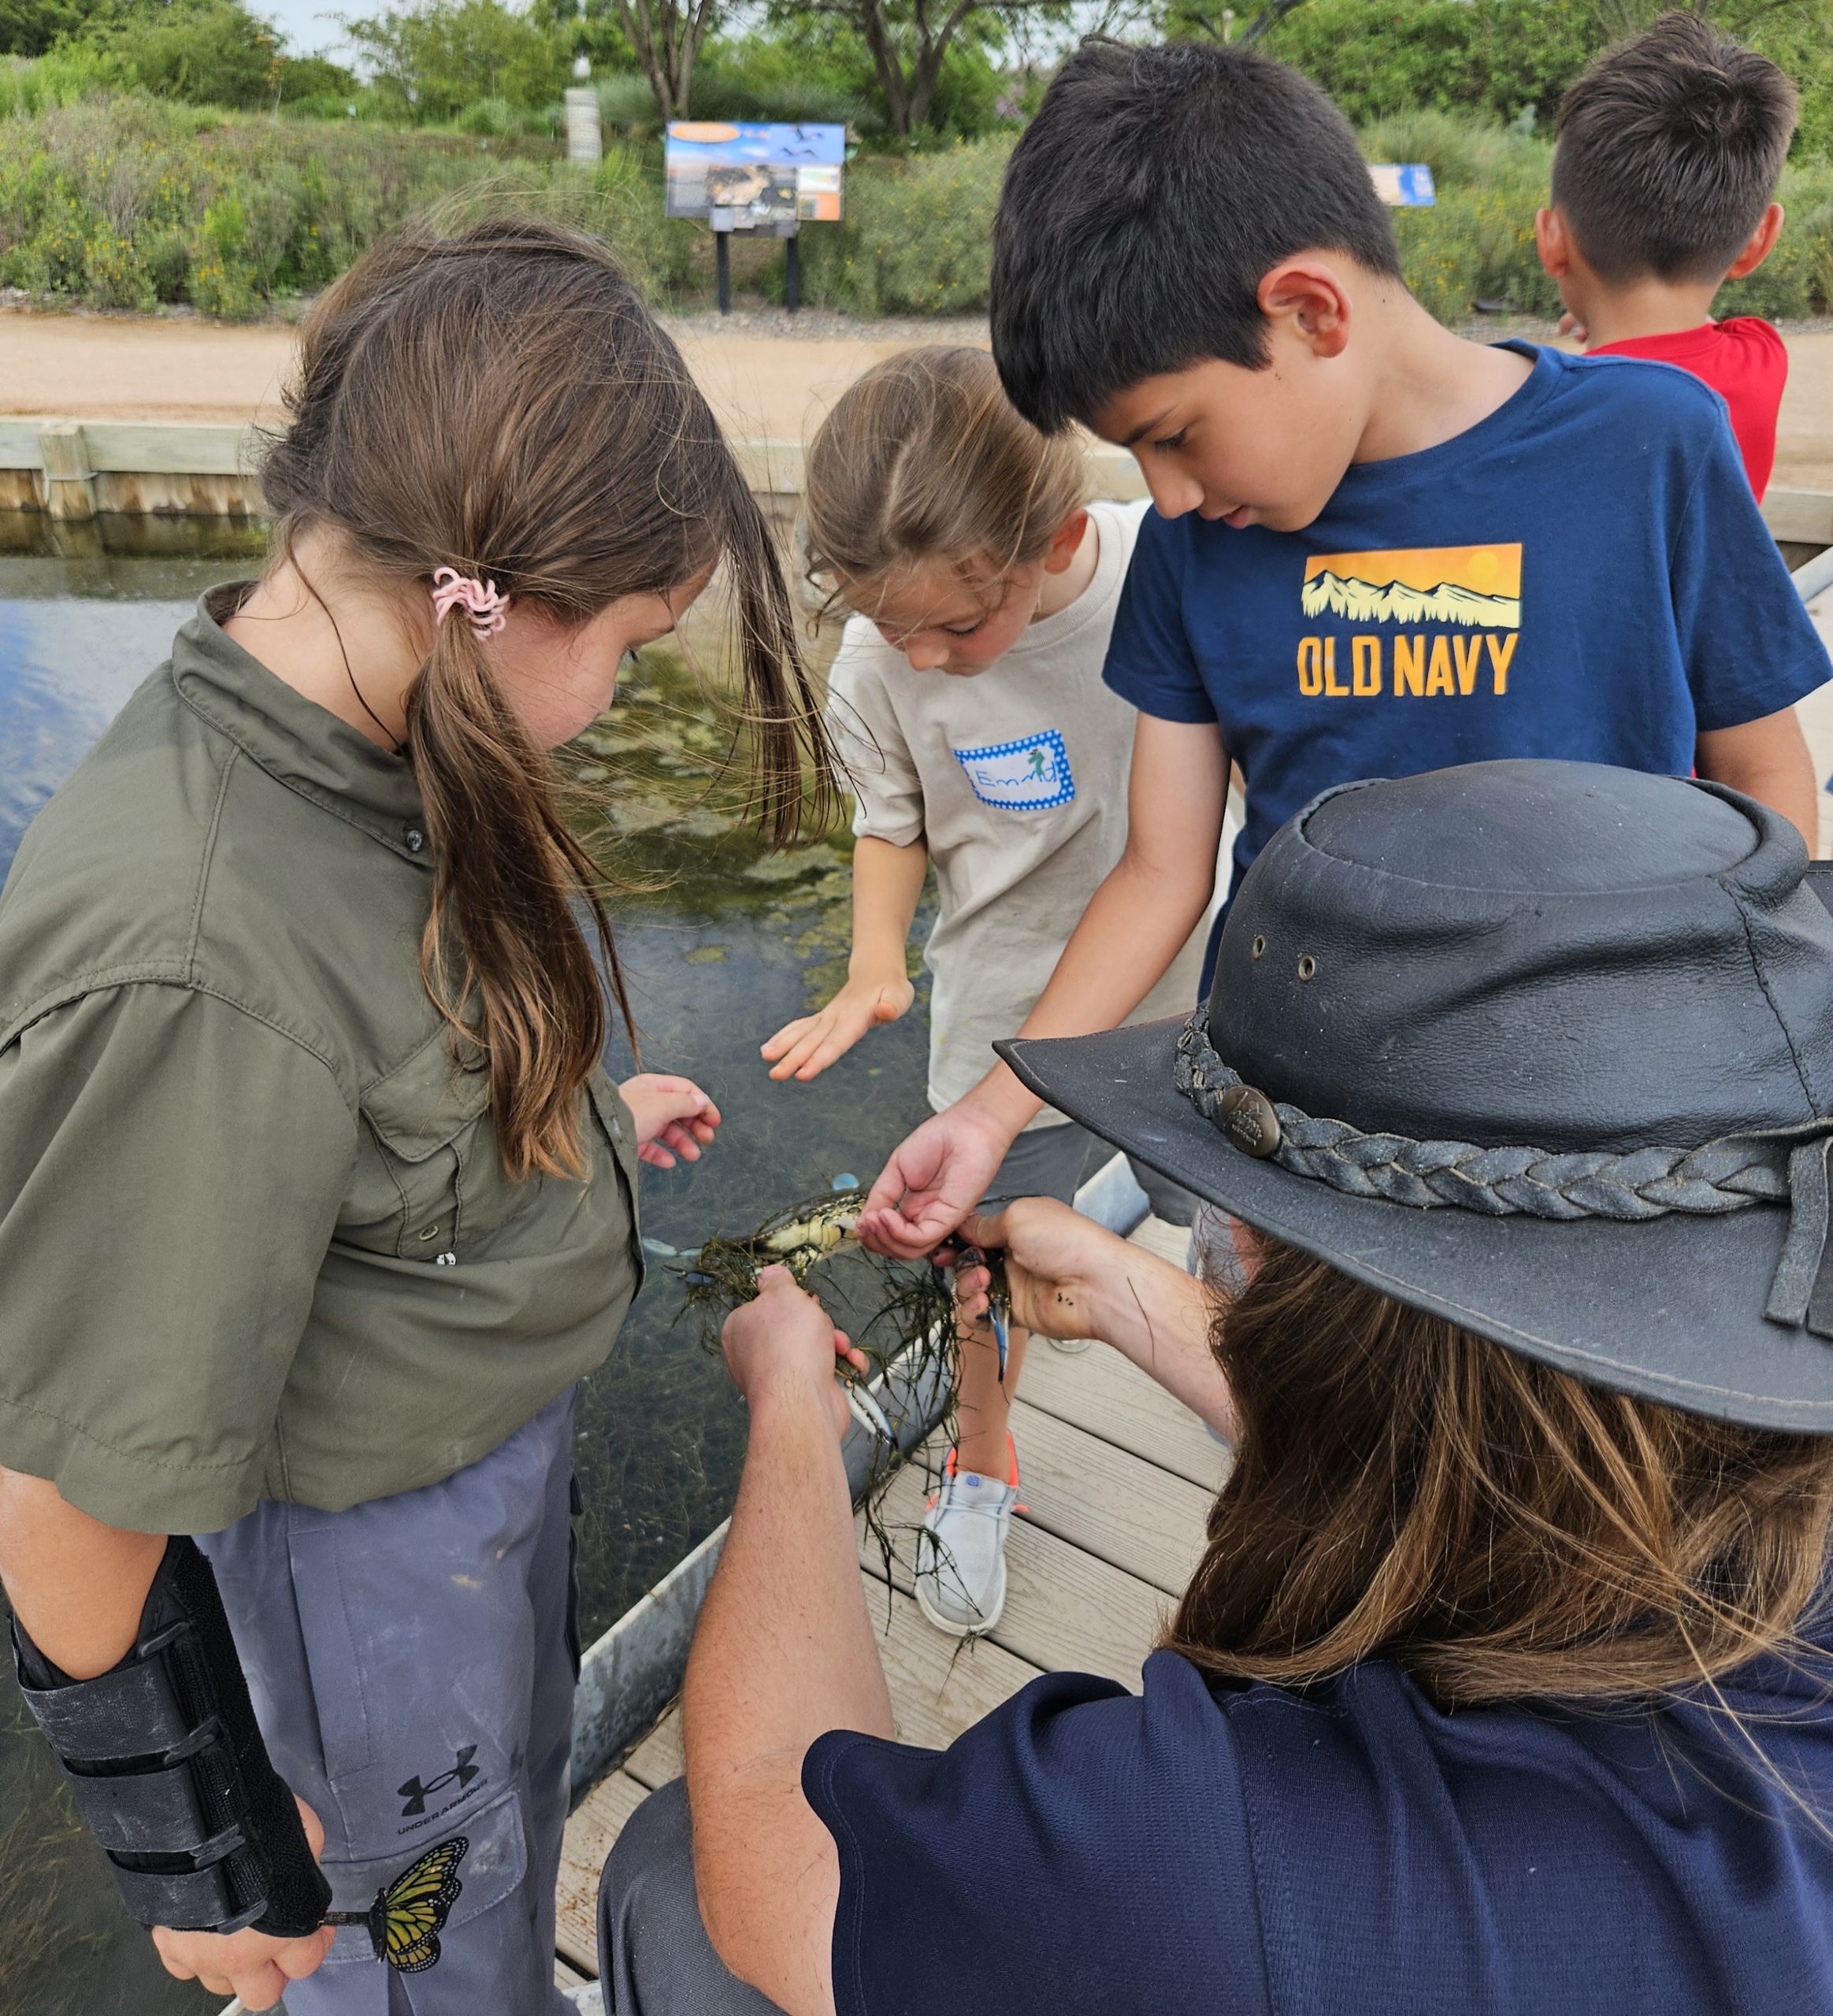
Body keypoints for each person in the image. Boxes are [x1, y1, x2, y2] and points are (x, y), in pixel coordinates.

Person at [597, 758, 1833, 2015]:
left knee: (666, 1874)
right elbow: (1507, 1478)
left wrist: (798, 1413)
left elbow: (774, 1840)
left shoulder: (1223, 1872)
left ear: (1254, 1251)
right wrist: (1120, 1289)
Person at [0, 220, 829, 2015]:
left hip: (481, 1475)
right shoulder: (190, 959)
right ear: (490, 594)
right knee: (412, 1929)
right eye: (624, 643)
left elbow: (377, 1057)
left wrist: (585, 1113)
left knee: (491, 1839)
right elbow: (63, 1494)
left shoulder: (382, 722)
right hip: (356, 1558)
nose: (611, 703)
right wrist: (208, 1849)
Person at [853, 39, 1832, 1266]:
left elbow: (1766, 792)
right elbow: (1162, 873)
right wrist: (994, 1113)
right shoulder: (1192, 553)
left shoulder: (1649, 448)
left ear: (1308, 310)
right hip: (1289, 1139)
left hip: (1583, 1143)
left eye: (1174, 435)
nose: (1164, 495)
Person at [759, 346, 1207, 1637]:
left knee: (1242, 1242)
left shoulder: (1157, 574)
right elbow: (887, 818)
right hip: (1001, 1031)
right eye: (889, 625)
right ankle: (983, 1453)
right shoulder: (879, 656)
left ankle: (1272, 1445)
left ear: (1058, 535)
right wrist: (874, 960)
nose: (921, 653)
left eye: (956, 626)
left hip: (1195, 1014)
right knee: (976, 1262)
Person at [1534, 11, 1798, 499]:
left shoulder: (1543, 405)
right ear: (1757, 243)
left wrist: (1604, 328)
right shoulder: (1762, 359)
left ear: (1551, 242)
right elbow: (1687, 343)